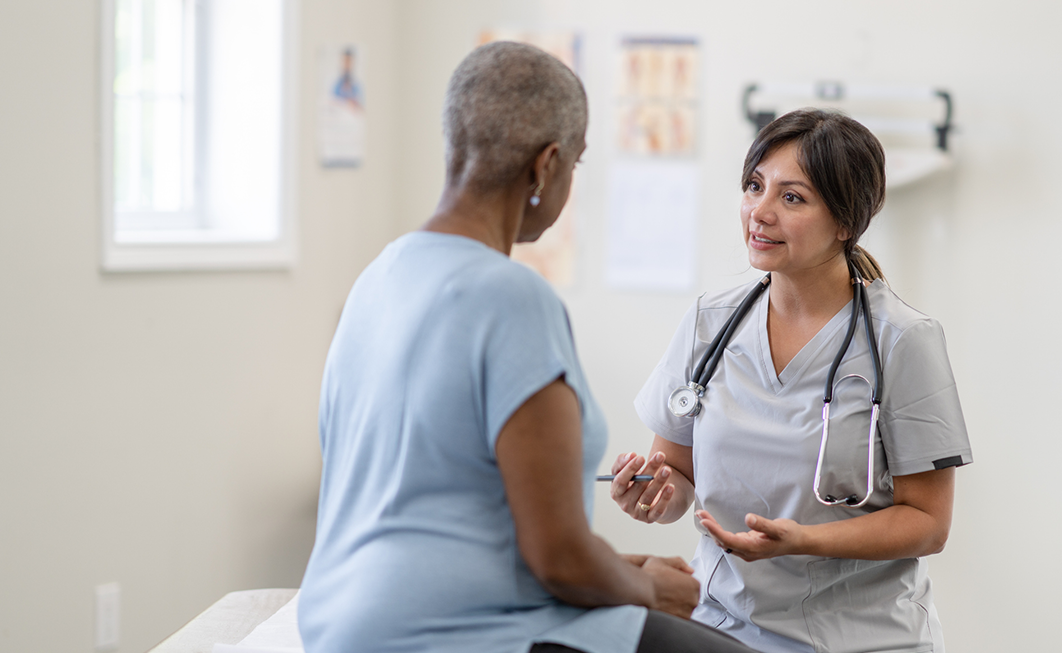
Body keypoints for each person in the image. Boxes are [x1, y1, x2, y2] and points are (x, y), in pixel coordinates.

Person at [298, 42, 755, 653]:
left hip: (338, 624)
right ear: (546, 165)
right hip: (453, 634)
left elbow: (449, 519)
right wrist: (647, 590)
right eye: (577, 165)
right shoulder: (510, 297)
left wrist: (622, 571)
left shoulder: (378, 277)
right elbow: (558, 559)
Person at [610, 109, 972, 653]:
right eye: (754, 187)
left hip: (862, 639)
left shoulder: (903, 339)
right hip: (721, 629)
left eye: (792, 197)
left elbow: (927, 522)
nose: (760, 212)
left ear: (846, 222)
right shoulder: (710, 322)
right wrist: (654, 497)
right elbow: (678, 477)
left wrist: (804, 541)